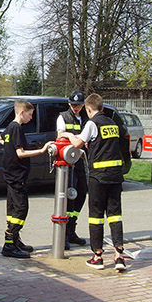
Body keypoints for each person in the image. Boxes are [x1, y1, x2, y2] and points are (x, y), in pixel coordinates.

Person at [64, 93, 126, 271]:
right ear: (103, 108)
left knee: (96, 216)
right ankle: (119, 256)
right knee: (115, 214)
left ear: (89, 109)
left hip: (98, 176)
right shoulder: (112, 124)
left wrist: (67, 135)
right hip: (116, 176)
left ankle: (97, 256)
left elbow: (77, 143)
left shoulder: (92, 123)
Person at [0, 100, 53, 259]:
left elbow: (0, 139)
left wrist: (8, 149)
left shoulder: (10, 127)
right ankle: (9, 244)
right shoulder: (16, 128)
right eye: (30, 114)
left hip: (11, 174)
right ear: (22, 112)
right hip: (16, 176)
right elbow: (20, 153)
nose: (31, 117)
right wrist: (41, 150)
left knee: (13, 208)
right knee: (21, 208)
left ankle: (15, 240)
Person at [56, 90, 88, 249]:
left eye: (78, 105)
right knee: (70, 196)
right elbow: (60, 134)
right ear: (69, 104)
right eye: (73, 105)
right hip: (69, 163)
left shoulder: (87, 117)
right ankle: (65, 234)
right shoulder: (63, 117)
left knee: (82, 193)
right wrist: (70, 136)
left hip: (82, 161)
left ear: (83, 105)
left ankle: (72, 229)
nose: (75, 108)